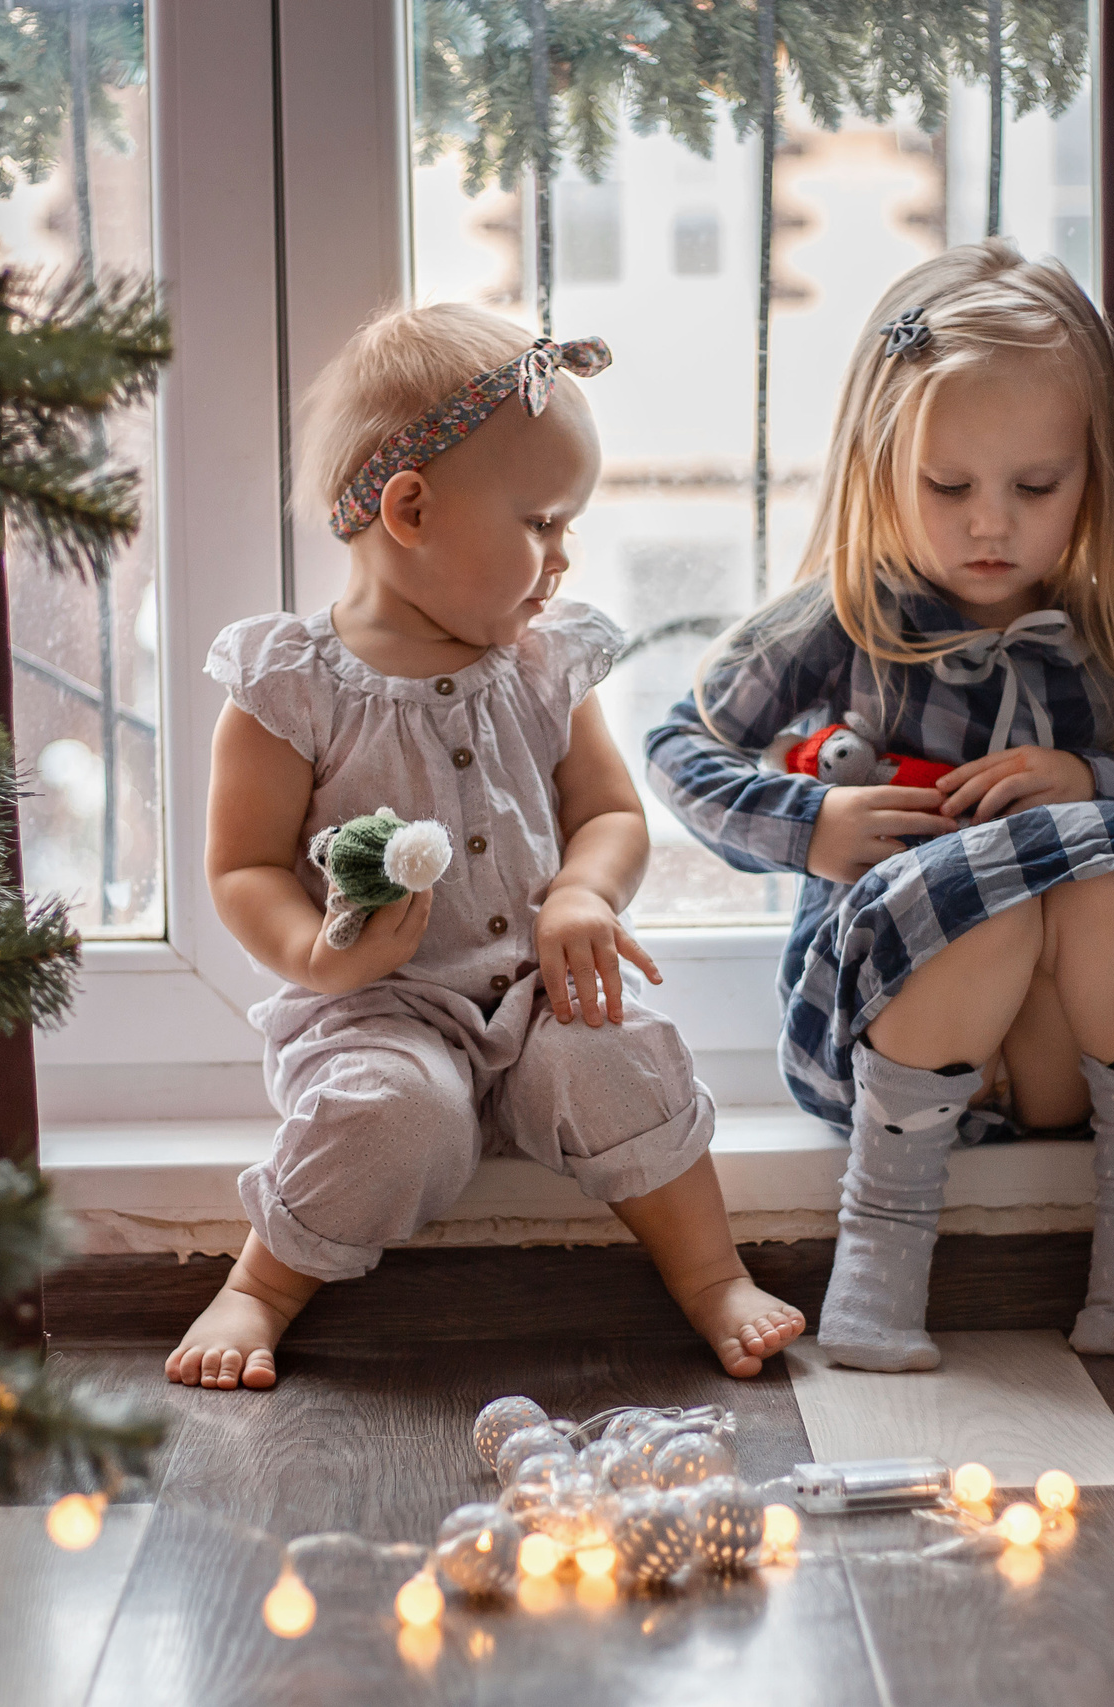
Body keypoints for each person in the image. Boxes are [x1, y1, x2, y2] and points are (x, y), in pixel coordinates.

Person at [168, 303, 807, 1390]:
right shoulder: (292, 685)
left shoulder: (542, 664)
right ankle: (258, 1288)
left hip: (539, 990)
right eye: (542, 524)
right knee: (383, 1114)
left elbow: (609, 811)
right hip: (377, 1007)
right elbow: (242, 869)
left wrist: (581, 897)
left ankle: (712, 1280)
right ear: (409, 509)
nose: (562, 558)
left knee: (620, 1058)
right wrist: (325, 959)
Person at [647, 241, 1114, 1372]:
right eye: (948, 487)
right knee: (993, 891)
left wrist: (1093, 784)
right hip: (891, 1043)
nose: (991, 525)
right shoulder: (844, 620)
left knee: (1110, 856)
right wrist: (807, 826)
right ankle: (877, 1257)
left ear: (1094, 478)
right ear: (882, 464)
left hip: (1079, 1061)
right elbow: (677, 747)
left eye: (1035, 488)